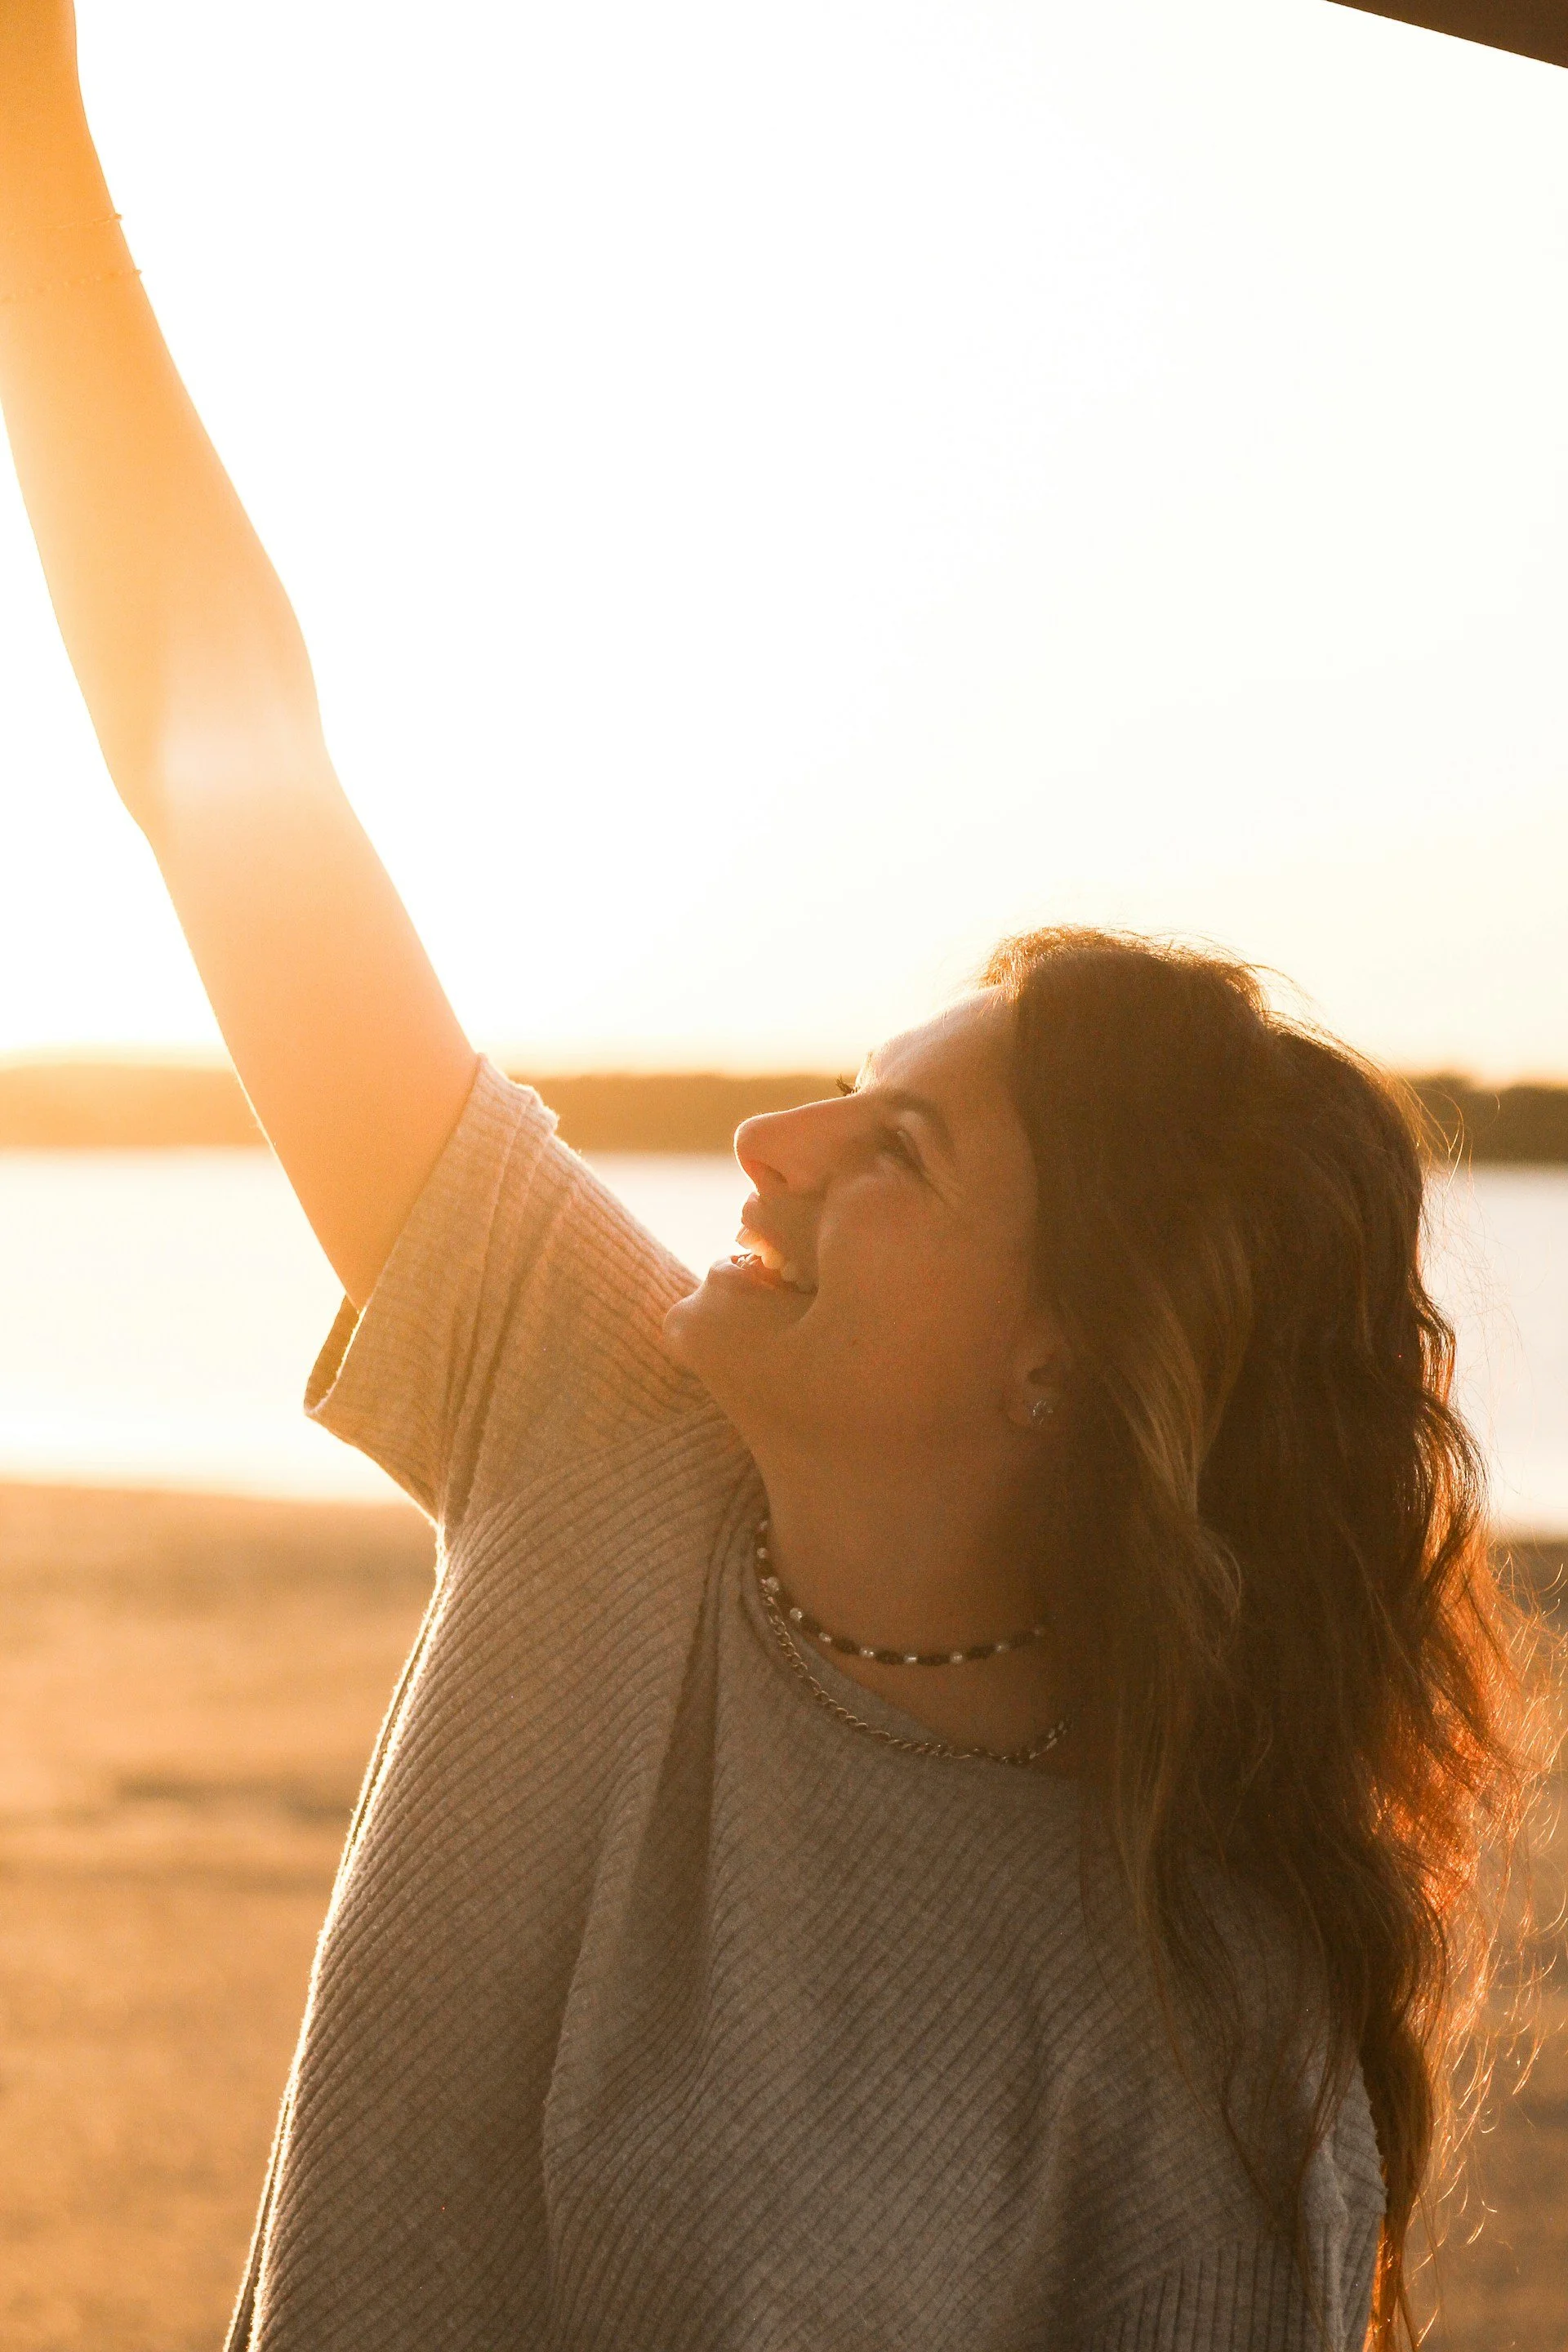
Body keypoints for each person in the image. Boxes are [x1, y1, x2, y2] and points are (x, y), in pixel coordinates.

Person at [0, 10, 1540, 2349]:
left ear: (1070, 1364)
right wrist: (33, 155)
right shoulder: (589, 1424)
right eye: (840, 1084)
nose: (772, 1148)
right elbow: (219, 760)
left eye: (897, 1146)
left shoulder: (1207, 2049)